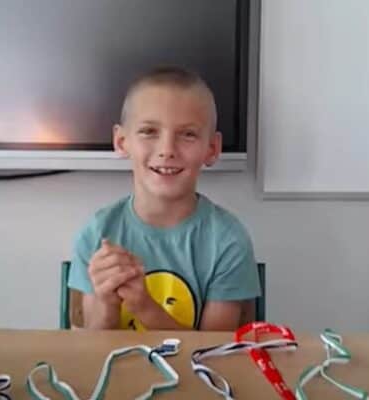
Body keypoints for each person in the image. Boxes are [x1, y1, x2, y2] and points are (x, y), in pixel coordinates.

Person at [67, 66, 260, 331]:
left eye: (188, 134)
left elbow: (215, 351)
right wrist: (107, 303)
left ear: (212, 148)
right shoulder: (97, 233)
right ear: (122, 141)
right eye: (149, 131)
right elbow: (89, 344)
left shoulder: (228, 240)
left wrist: (145, 307)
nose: (167, 150)